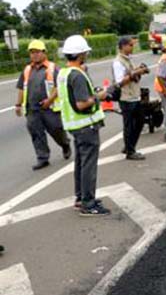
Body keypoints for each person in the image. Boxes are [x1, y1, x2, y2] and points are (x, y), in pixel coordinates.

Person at [56, 35, 110, 216]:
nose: (86, 55)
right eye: (85, 52)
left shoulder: (63, 74)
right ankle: (88, 203)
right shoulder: (77, 75)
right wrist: (99, 96)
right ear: (80, 54)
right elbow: (81, 103)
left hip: (75, 126)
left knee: (80, 163)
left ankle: (81, 198)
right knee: (88, 165)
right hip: (86, 126)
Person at [15, 40, 71, 170]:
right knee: (36, 133)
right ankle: (43, 158)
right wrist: (18, 105)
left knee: (56, 130)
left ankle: (65, 144)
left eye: (37, 52)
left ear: (44, 52)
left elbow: (59, 86)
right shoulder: (27, 69)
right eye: (32, 53)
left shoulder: (53, 68)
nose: (34, 55)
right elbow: (21, 88)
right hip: (32, 109)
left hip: (49, 108)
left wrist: (50, 100)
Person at [112, 37, 147, 160]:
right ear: (123, 46)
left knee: (139, 122)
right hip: (126, 97)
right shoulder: (118, 62)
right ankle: (130, 151)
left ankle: (128, 146)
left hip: (134, 96)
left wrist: (139, 71)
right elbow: (119, 81)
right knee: (129, 125)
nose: (132, 47)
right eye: (131, 45)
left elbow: (130, 74)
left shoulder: (127, 59)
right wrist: (135, 73)